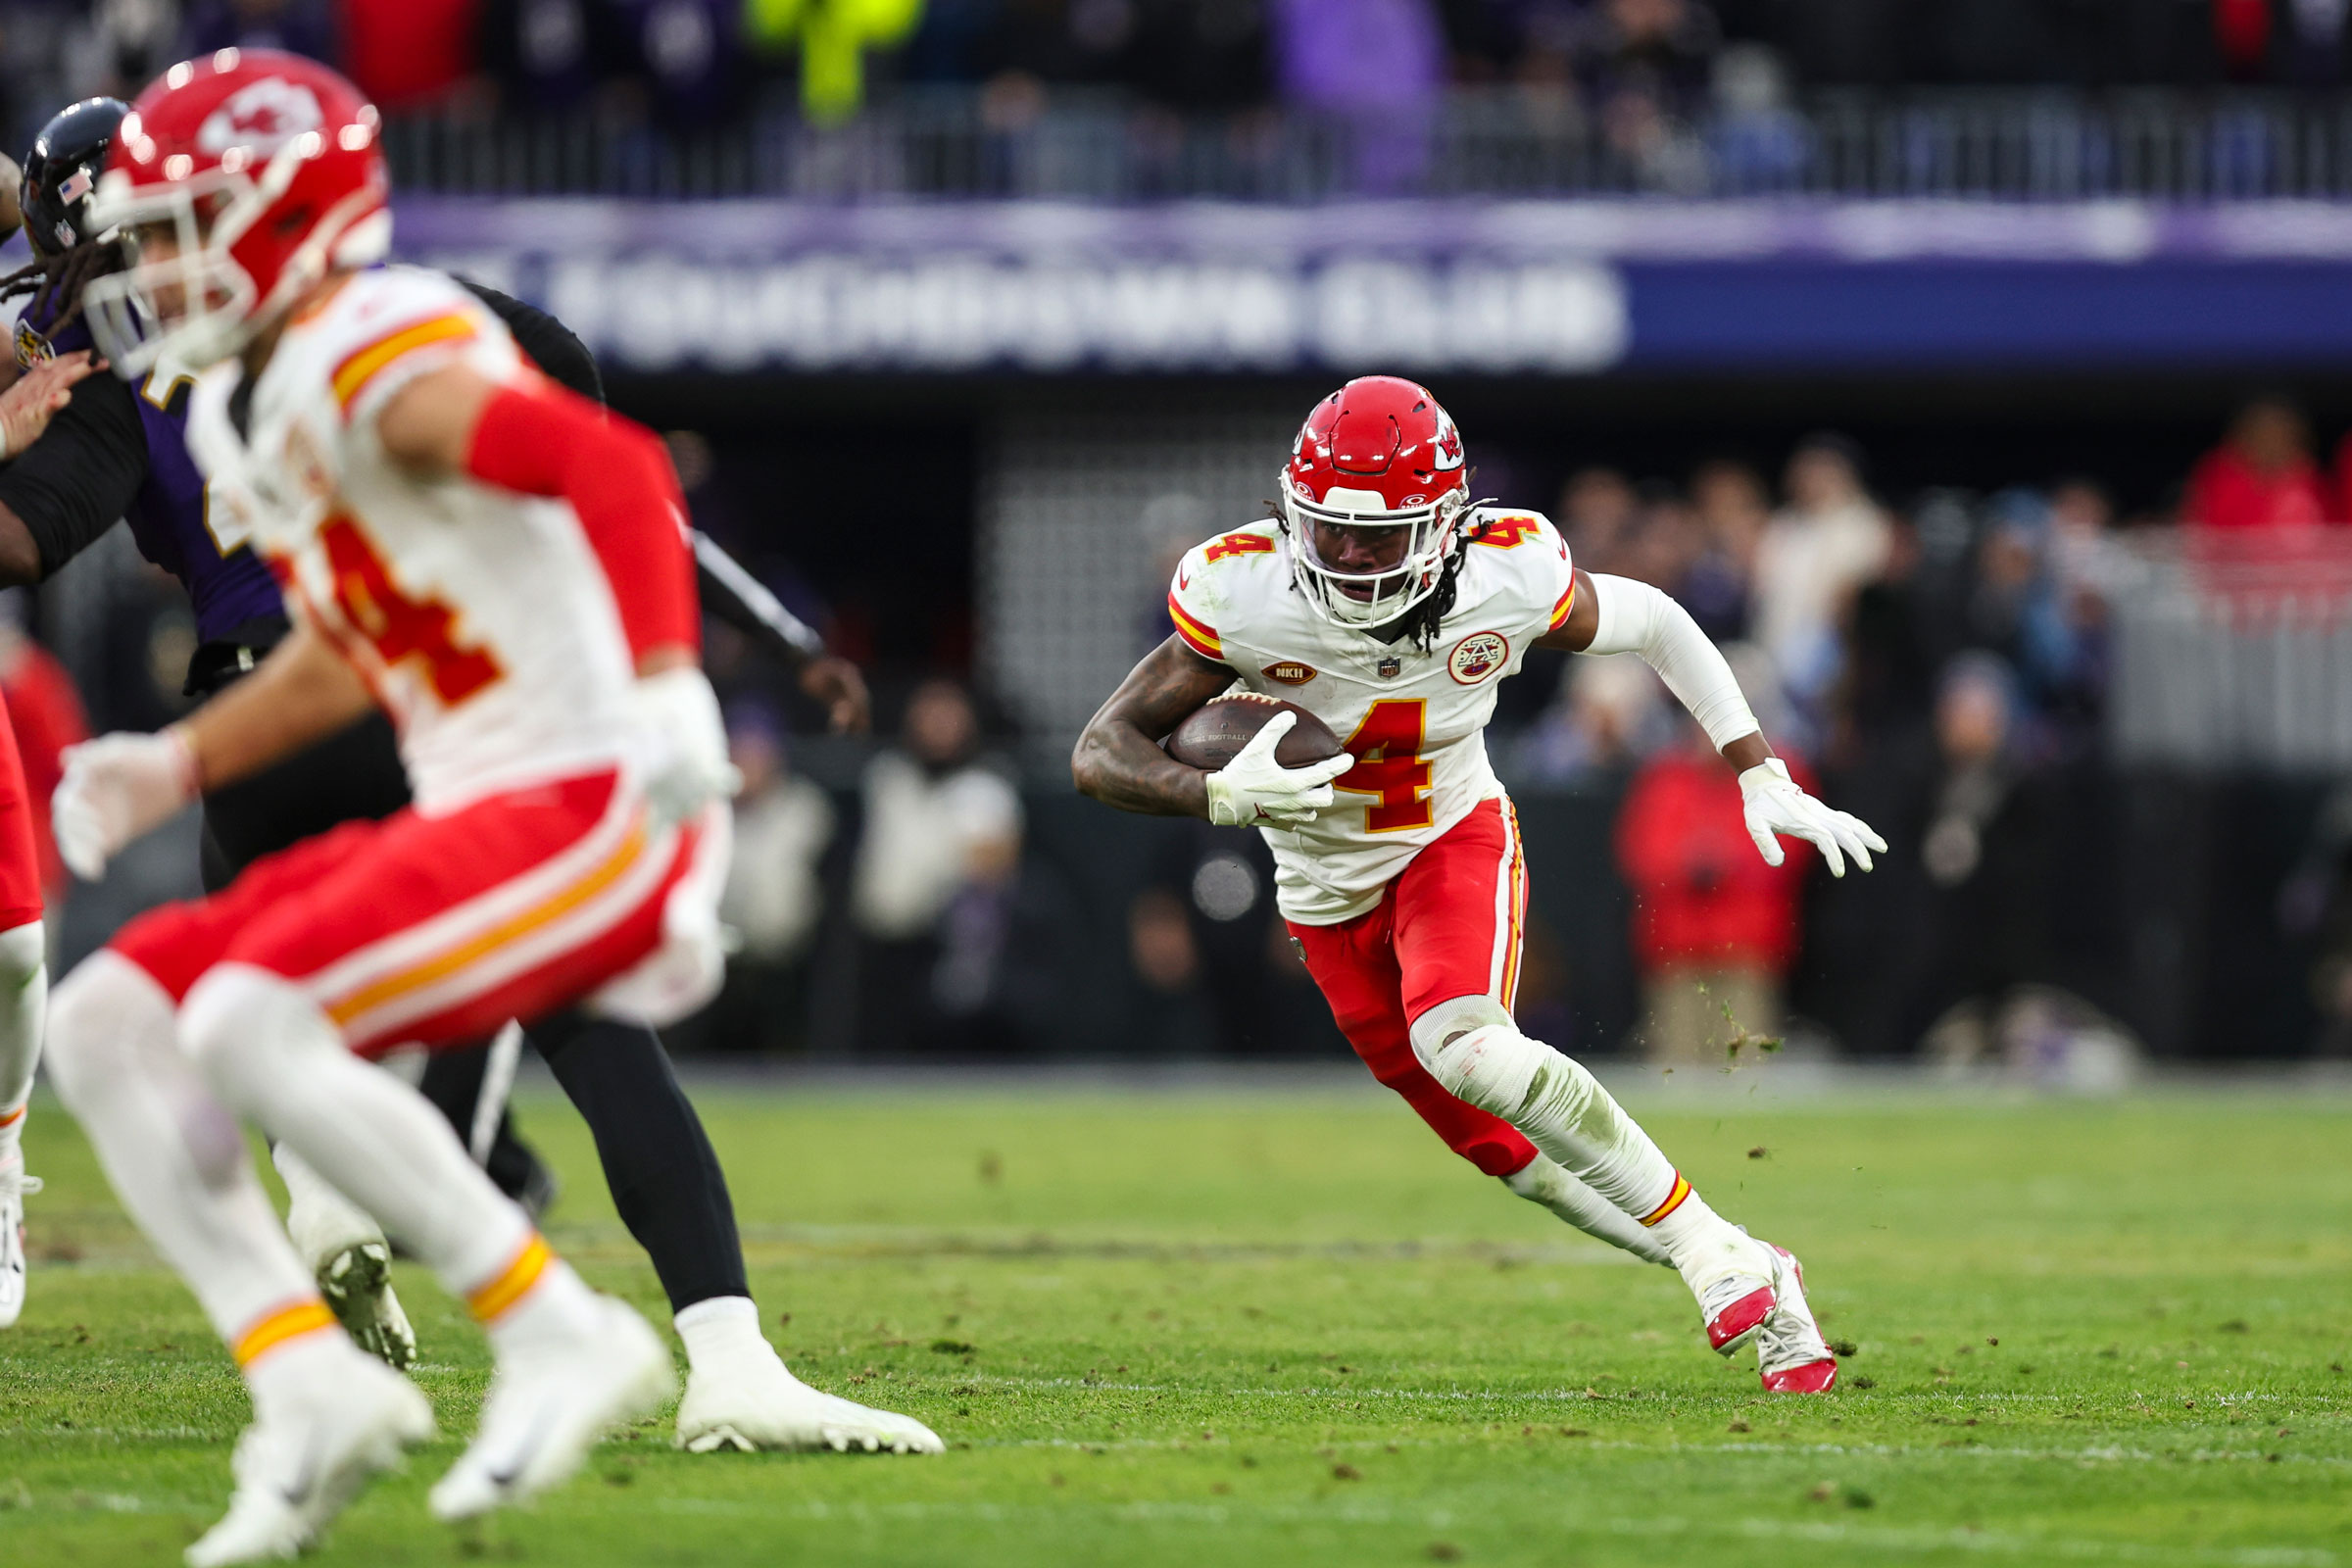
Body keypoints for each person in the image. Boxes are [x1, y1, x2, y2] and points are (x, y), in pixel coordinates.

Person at [37, 52, 932, 1562]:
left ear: (288, 219)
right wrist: (171, 764)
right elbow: (351, 649)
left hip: (586, 798)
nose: (154, 265)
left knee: (253, 1022)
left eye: (187, 224)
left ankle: (555, 1331)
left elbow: (610, 463)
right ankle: (309, 1383)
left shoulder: (368, 342)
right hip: (471, 802)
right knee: (108, 1021)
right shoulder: (252, 396)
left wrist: (665, 697)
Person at [1073, 376, 1886, 1392]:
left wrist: (1757, 767)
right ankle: (1748, 1257)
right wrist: (1217, 797)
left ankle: (1710, 1256)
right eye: (1329, 534)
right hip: (1322, 896)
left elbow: (1659, 620)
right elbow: (1101, 750)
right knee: (1510, 1154)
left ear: (1448, 524)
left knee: (1467, 1047)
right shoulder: (1246, 591)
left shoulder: (1505, 573)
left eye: (1381, 538)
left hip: (1447, 837)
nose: (1353, 561)